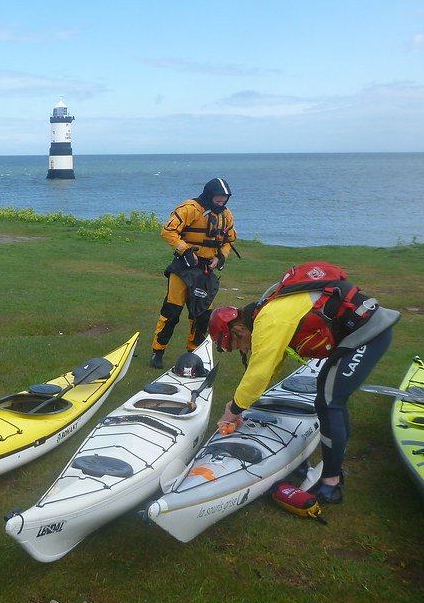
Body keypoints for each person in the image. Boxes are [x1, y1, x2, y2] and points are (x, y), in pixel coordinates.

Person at [208, 266, 400, 504]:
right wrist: (242, 403)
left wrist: (233, 410)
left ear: (238, 329)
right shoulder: (266, 315)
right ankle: (335, 468)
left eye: (239, 345)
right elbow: (272, 365)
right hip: (358, 332)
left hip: (369, 331)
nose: (244, 349)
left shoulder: (268, 319)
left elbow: (259, 373)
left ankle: (331, 485)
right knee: (330, 396)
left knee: (330, 402)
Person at [149, 177, 236, 368]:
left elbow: (229, 240)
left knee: (202, 315)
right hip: (182, 269)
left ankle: (193, 354)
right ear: (208, 196)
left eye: (224, 201)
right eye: (217, 201)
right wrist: (185, 250)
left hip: (205, 271)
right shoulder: (189, 209)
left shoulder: (226, 214)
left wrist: (221, 257)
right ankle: (158, 351)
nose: (221, 205)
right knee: (171, 312)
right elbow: (168, 231)